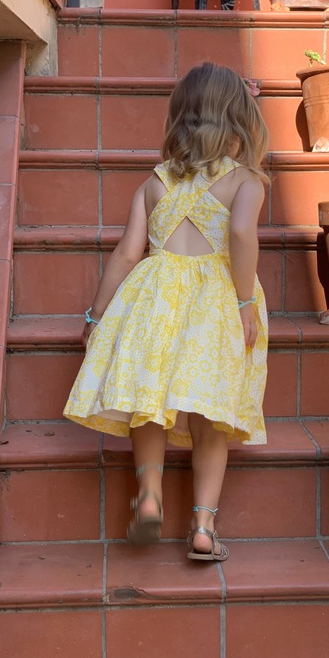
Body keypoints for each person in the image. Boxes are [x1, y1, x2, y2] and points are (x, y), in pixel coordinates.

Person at [64, 62, 269, 562]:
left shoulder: (154, 182)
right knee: (210, 416)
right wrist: (244, 302)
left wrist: (95, 316)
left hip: (153, 299)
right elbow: (241, 235)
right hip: (215, 302)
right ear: (241, 124)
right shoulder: (245, 182)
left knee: (148, 403)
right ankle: (202, 526)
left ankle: (150, 497)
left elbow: (128, 253)